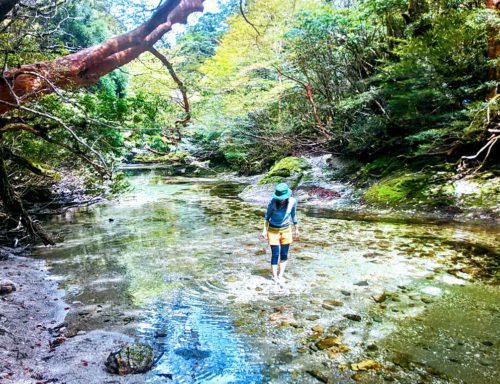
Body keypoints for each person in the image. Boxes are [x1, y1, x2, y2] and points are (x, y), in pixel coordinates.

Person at [261, 183, 299, 283]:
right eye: (280, 198)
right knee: (275, 254)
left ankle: (280, 275)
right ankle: (274, 277)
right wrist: (264, 230)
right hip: (273, 231)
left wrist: (296, 228)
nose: (281, 200)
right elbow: (267, 217)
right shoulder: (272, 202)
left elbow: (293, 215)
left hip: (286, 230)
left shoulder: (292, 201)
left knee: (284, 254)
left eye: (283, 198)